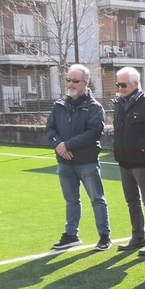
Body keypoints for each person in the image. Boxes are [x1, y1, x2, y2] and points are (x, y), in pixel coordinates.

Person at [46, 64, 111, 251]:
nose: (71, 84)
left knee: (97, 199)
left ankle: (104, 236)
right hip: (64, 162)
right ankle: (71, 235)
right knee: (71, 200)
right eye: (68, 80)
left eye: (75, 81)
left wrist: (68, 145)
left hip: (87, 162)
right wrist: (59, 145)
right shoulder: (59, 105)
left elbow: (93, 133)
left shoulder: (94, 107)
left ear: (85, 83)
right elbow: (50, 129)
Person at [112, 66, 145, 256]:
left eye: (123, 85)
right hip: (124, 160)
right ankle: (138, 236)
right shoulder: (119, 103)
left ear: (136, 84)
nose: (120, 88)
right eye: (118, 85)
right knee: (131, 201)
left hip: (143, 161)